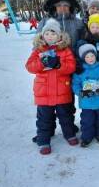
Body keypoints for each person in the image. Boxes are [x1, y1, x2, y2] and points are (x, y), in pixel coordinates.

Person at [32, 0, 84, 143]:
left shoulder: (77, 22)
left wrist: (80, 60)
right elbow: (37, 43)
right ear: (54, 7)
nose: (62, 8)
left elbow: (83, 41)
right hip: (48, 68)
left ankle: (69, 126)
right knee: (47, 102)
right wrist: (40, 61)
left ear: (71, 7)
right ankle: (47, 130)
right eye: (59, 5)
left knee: (67, 98)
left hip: (70, 64)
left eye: (66, 6)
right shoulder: (45, 22)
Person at [25, 18, 78, 155]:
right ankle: (43, 140)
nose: (50, 36)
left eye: (53, 33)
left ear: (59, 36)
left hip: (62, 91)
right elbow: (29, 67)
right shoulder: (38, 50)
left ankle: (70, 134)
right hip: (44, 92)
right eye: (47, 33)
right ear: (42, 35)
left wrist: (59, 65)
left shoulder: (65, 50)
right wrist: (42, 63)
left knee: (66, 116)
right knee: (44, 119)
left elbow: (71, 67)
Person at [72, 44, 99, 147]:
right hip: (86, 102)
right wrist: (80, 92)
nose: (90, 58)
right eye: (87, 57)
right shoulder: (80, 71)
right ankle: (86, 137)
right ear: (83, 58)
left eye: (92, 56)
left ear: (95, 55)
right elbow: (75, 84)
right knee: (87, 121)